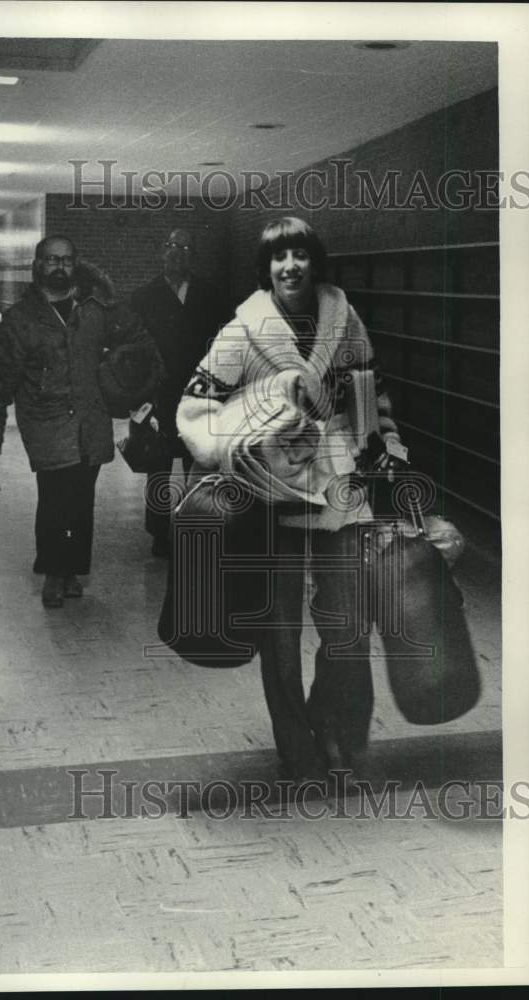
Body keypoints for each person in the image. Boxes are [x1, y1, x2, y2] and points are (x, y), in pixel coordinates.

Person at [176, 217, 403, 783]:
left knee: (346, 627)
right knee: (280, 636)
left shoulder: (343, 320)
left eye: (299, 254)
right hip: (269, 498)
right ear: (266, 269)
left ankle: (331, 726)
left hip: (337, 492)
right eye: (279, 258)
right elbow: (195, 411)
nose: (290, 267)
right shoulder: (242, 331)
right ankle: (295, 745)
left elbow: (372, 398)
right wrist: (242, 446)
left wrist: (386, 448)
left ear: (314, 261)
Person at [0, 234, 161, 609]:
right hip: (46, 421)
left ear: (74, 265)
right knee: (54, 497)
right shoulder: (21, 319)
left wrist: (136, 375)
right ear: (37, 266)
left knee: (81, 498)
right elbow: (1, 378)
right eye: (51, 260)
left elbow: (138, 335)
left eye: (66, 260)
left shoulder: (95, 309)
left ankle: (71, 570)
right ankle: (52, 572)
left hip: (90, 420)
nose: (59, 267)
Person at [130, 228, 230, 556]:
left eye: (186, 247)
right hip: (157, 392)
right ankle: (159, 533)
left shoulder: (211, 295)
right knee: (157, 463)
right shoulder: (144, 296)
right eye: (172, 245)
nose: (178, 252)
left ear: (193, 255)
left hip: (198, 393)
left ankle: (193, 526)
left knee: (197, 461)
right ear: (163, 250)